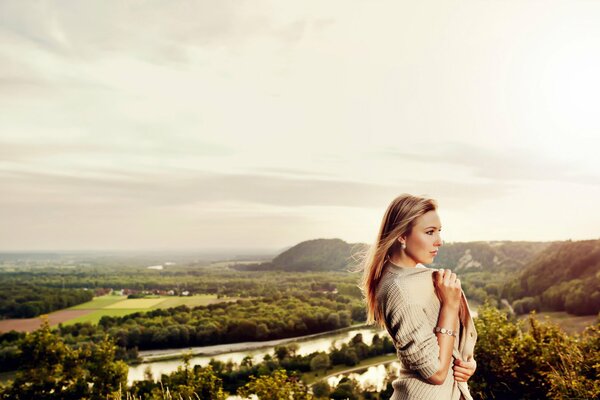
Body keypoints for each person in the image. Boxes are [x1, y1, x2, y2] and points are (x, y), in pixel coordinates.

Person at [359, 194, 478, 400]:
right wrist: (450, 306)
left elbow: (443, 353)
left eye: (439, 231)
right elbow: (436, 373)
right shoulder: (400, 289)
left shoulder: (411, 276)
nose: (439, 241)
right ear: (402, 236)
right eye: (429, 232)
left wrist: (466, 364)